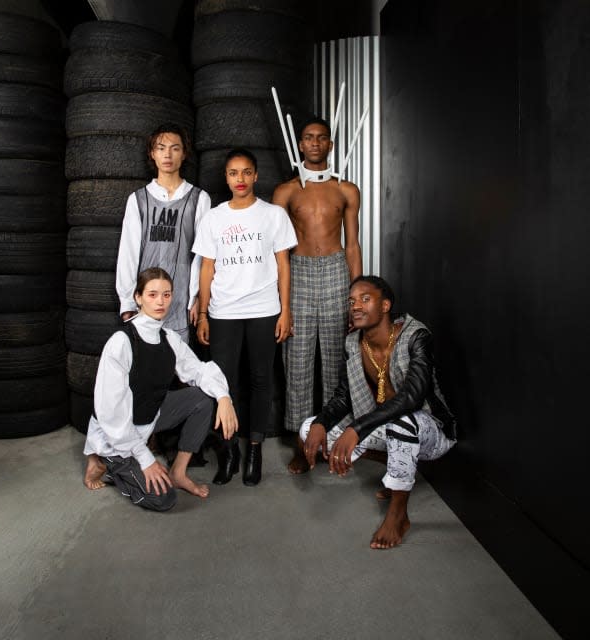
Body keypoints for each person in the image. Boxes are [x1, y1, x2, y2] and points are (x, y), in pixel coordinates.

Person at [299, 275, 456, 549]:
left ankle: (398, 515)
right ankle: (394, 465)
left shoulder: (415, 336)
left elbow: (412, 397)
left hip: (428, 430)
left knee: (403, 424)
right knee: (309, 429)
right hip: (382, 425)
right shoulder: (353, 343)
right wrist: (321, 423)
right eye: (351, 301)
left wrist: (356, 430)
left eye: (365, 299)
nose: (355, 306)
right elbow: (344, 397)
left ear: (385, 306)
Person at [83, 266, 238, 510]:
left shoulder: (169, 339)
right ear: (138, 297)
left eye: (166, 295)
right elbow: (111, 414)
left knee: (203, 398)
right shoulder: (121, 342)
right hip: (115, 436)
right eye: (152, 294)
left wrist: (224, 397)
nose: (160, 302)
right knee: (163, 499)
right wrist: (145, 459)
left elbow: (199, 370)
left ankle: (178, 472)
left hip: (148, 419)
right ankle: (102, 460)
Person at [193, 148, 297, 486]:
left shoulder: (274, 215)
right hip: (223, 311)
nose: (240, 179)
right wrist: (204, 313)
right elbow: (206, 269)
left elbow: (283, 266)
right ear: (226, 178)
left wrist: (286, 311)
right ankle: (229, 453)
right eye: (233, 173)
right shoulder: (214, 218)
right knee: (226, 383)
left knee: (260, 380)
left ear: (255, 176)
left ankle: (254, 449)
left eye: (246, 172)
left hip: (264, 310)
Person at [272, 117, 362, 474]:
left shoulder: (347, 190)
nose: (314, 143)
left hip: (336, 269)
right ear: (300, 145)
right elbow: (276, 250)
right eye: (308, 138)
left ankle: (328, 438)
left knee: (336, 359)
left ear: (330, 145)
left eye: (321, 138)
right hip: (299, 270)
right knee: (297, 359)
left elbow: (353, 244)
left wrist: (356, 295)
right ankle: (300, 443)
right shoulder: (286, 191)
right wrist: (281, 302)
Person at [116, 123, 210, 343]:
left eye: (175, 148)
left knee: (179, 368)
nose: (167, 154)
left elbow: (203, 256)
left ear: (184, 153)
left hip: (181, 300)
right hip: (145, 300)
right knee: (146, 366)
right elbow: (128, 253)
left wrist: (196, 297)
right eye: (161, 148)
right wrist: (128, 302)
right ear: (152, 153)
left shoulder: (199, 199)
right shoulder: (138, 199)